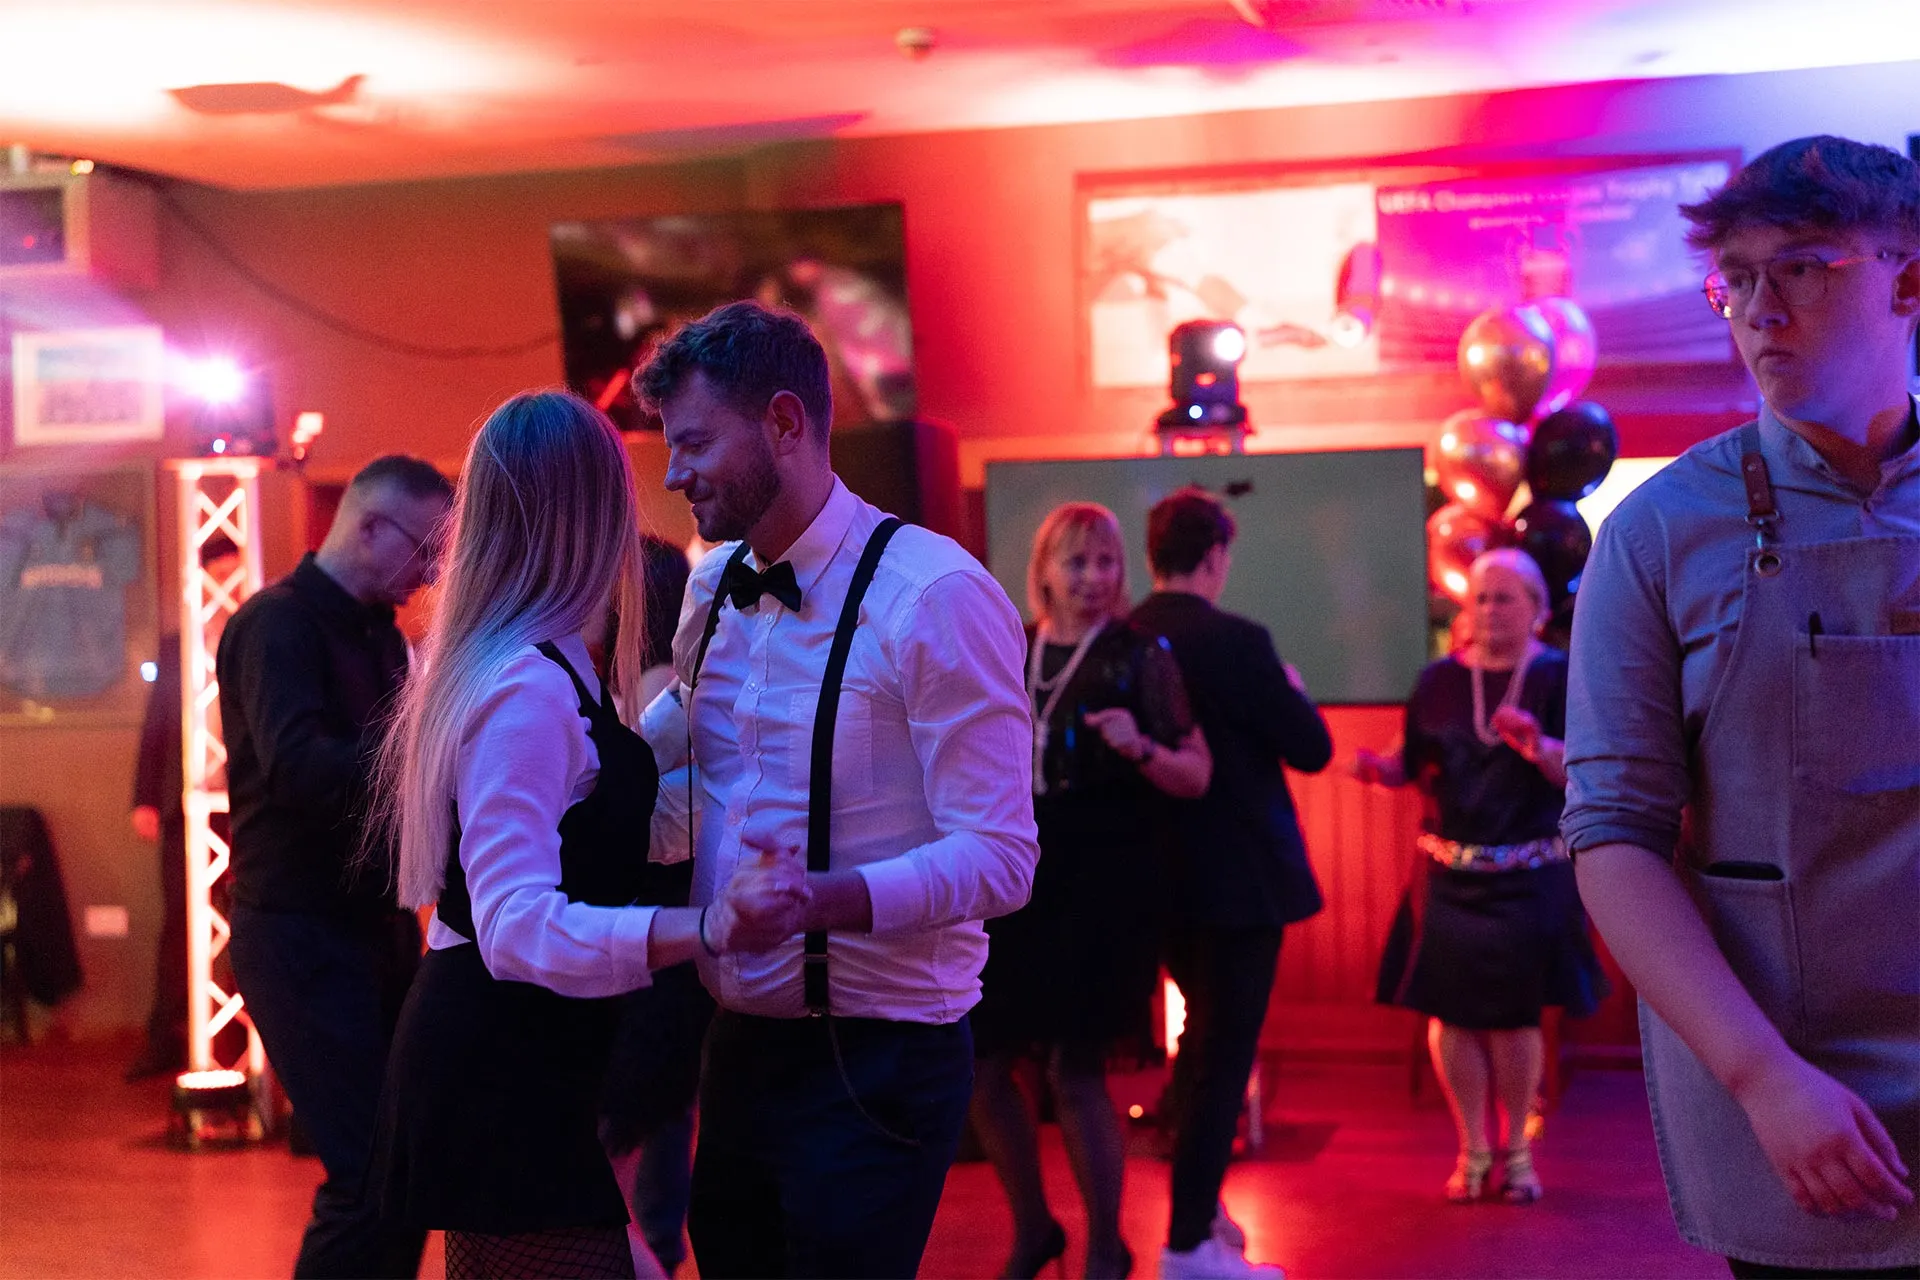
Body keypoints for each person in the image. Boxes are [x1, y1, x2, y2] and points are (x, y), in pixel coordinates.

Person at [1563, 134, 1919, 1277]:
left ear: (1909, 279)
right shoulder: (1658, 532)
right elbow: (1612, 836)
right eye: (1737, 279)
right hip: (1786, 1070)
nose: (1760, 310)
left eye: (1802, 267)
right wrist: (1765, 1077)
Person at [633, 300, 1041, 1279]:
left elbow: (1002, 858)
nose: (675, 474)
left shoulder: (935, 595)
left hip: (880, 1058)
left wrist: (829, 899)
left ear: (784, 422)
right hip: (738, 1041)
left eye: (695, 443)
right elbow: (703, 790)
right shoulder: (710, 587)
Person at [372, 391, 801, 1279]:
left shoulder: (551, 661)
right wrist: (708, 928)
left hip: (529, 1061)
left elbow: (609, 814)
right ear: (591, 515)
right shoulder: (525, 687)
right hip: (498, 1067)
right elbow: (515, 926)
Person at [217, 455, 452, 1279]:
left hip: (372, 926)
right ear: (370, 527)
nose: (432, 573)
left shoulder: (380, 634)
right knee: (365, 1178)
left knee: (402, 1171)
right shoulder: (275, 625)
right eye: (426, 550)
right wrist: (426, 754)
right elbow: (297, 767)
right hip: (299, 934)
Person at [971, 502, 1212, 1280]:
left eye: (1106, 561)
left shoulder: (1141, 655)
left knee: (1074, 1070)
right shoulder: (1014, 645)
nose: (1094, 577)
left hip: (1105, 881)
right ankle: (1035, 1229)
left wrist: (1139, 747)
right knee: (979, 1064)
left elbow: (1196, 773)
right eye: (1076, 562)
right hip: (1018, 877)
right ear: (1043, 570)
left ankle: (1106, 1246)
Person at [1356, 548, 1606, 1205]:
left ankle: (1517, 1154)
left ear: (1537, 608)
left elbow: (1588, 769)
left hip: (1530, 877)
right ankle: (1472, 1149)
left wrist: (1537, 747)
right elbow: (1408, 761)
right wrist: (1376, 770)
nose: (1491, 610)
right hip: (1448, 877)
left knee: (1517, 1017)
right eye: (1481, 598)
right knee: (1452, 1016)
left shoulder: (1561, 675)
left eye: (1505, 597)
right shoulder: (1438, 680)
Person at [1129, 486, 1332, 1280]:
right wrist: (1293, 689)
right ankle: (1188, 1244)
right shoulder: (1240, 641)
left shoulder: (1125, 636)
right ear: (1215, 557)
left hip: (1152, 878)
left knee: (1198, 1048)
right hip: (1241, 883)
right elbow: (1311, 748)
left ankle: (1203, 1210)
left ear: (1152, 554)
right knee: (1222, 1055)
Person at [599, 532, 708, 1276]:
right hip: (671, 953)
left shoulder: (654, 692)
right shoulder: (668, 687)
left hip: (644, 956)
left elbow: (639, 830)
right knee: (660, 1184)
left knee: (607, 1184)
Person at [126, 533, 238, 1082]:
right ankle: (166, 1037)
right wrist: (145, 797)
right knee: (179, 924)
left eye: (233, 575)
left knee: (246, 920)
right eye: (218, 574)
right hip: (185, 804)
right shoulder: (178, 647)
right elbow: (156, 727)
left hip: (246, 805)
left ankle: (240, 1038)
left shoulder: (258, 636)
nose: (226, 585)